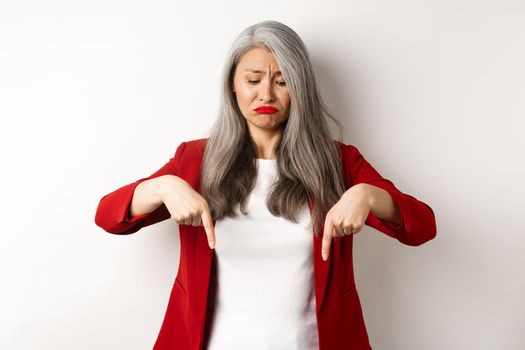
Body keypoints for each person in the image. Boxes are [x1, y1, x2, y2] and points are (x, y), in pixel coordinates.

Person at [94, 20, 437, 350]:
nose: (266, 94)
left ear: (300, 87)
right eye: (253, 80)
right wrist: (161, 188)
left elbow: (422, 227)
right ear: (233, 84)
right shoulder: (196, 160)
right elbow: (108, 217)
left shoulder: (338, 162)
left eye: (282, 81)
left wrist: (369, 195)